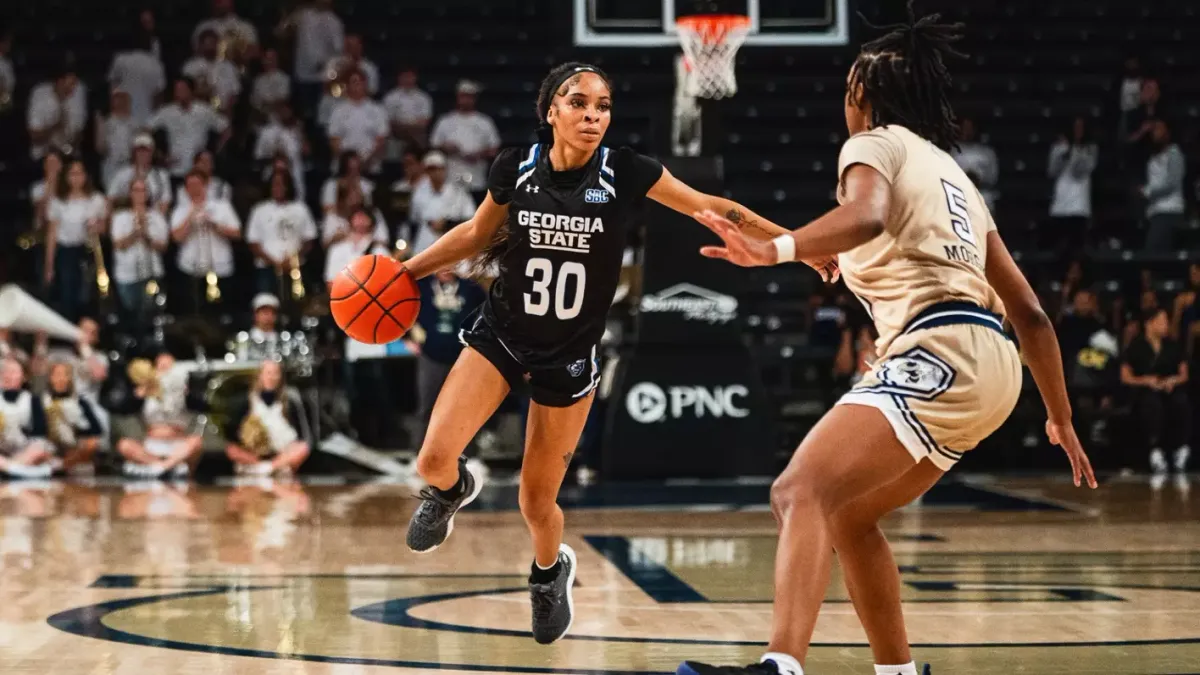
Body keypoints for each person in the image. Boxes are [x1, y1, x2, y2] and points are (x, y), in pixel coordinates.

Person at [676, 8, 1096, 675]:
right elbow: (1033, 313)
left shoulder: (871, 145)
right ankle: (900, 672)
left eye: (848, 89)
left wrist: (776, 248)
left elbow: (865, 213)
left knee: (798, 490)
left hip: (940, 351)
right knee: (847, 516)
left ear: (862, 98)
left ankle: (779, 666)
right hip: (995, 368)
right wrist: (1061, 416)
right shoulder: (954, 177)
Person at [398, 61, 837, 644]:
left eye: (602, 106)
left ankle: (550, 573)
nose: (592, 115)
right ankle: (453, 490)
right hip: (502, 333)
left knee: (536, 502)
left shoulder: (625, 170)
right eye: (578, 103)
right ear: (550, 110)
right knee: (431, 462)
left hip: (569, 354)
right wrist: (404, 273)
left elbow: (711, 205)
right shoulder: (516, 167)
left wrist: (795, 247)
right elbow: (477, 234)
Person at [1121, 307, 1190, 475]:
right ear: (1149, 324)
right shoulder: (1136, 346)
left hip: (1169, 389)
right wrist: (1146, 381)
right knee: (1152, 403)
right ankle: (1155, 449)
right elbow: (1125, 377)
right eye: (1162, 321)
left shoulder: (1173, 346)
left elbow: (1184, 374)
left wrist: (1172, 380)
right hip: (1145, 391)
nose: (1166, 325)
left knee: (1181, 402)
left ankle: (1181, 449)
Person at [118, 352, 203, 478]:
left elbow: (202, 405)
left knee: (196, 442)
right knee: (124, 444)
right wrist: (139, 394)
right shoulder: (145, 390)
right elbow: (124, 409)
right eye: (161, 366)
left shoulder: (184, 391)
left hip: (178, 446)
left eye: (169, 366)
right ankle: (162, 466)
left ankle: (163, 467)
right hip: (152, 445)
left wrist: (185, 393)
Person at [223, 359, 311, 476]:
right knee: (231, 449)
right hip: (255, 455)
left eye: (275, 373)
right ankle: (260, 466)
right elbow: (233, 436)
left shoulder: (290, 401)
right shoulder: (247, 401)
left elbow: (302, 437)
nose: (272, 377)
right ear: (259, 376)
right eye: (268, 373)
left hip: (282, 453)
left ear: (281, 377)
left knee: (302, 448)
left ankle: (270, 467)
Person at [45, 159, 107, 322]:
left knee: (89, 293)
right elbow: (52, 234)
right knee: (69, 294)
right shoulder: (58, 202)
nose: (76, 178)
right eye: (72, 174)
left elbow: (105, 227)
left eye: (80, 173)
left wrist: (97, 226)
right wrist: (49, 265)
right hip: (67, 252)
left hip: (90, 251)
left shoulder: (96, 199)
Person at [109, 177, 170, 317]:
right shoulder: (120, 217)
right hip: (126, 274)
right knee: (130, 312)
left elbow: (163, 247)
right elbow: (118, 245)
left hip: (152, 272)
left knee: (151, 313)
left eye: (143, 190)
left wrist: (146, 235)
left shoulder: (157, 217)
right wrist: (135, 233)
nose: (140, 193)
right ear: (130, 193)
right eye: (136, 190)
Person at [42, 360, 102, 474]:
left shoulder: (80, 402)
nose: (61, 379)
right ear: (50, 378)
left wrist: (79, 427)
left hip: (74, 445)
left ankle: (62, 465)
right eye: (57, 375)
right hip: (50, 444)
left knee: (92, 444)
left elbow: (96, 429)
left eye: (65, 375)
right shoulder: (42, 401)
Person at [0, 358, 55, 478]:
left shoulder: (32, 400)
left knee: (40, 450)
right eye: (4, 371)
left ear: (23, 377)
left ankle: (10, 469)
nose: (8, 375)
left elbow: (40, 434)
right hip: (2, 451)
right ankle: (20, 470)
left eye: (14, 372)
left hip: (25, 450)